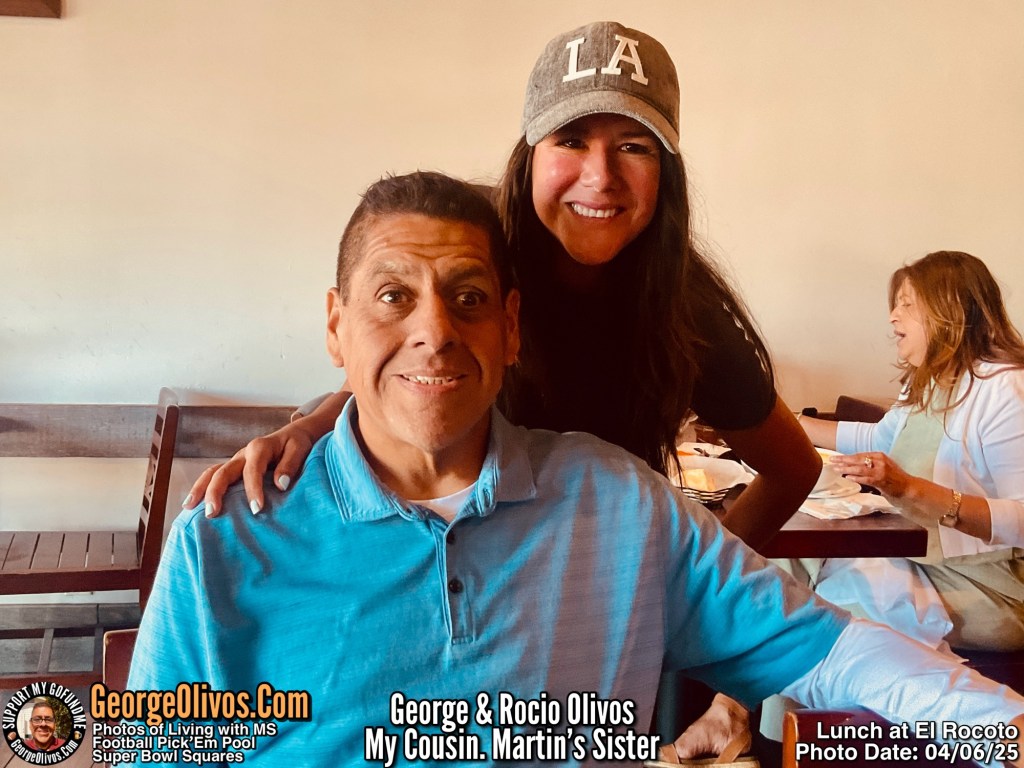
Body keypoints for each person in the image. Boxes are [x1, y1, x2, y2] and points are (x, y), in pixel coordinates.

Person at [131, 173, 1024, 767]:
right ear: (336, 326)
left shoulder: (619, 504)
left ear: (511, 327)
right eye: (393, 296)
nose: (434, 331)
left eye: (468, 298)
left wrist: (1002, 728)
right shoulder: (229, 538)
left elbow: (832, 653)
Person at [186, 23, 822, 757]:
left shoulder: (684, 308)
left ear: (668, 172)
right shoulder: (479, 244)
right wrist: (313, 422)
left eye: (635, 146)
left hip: (583, 611)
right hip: (441, 582)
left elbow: (793, 467)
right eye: (571, 140)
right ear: (530, 154)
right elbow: (398, 354)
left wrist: (686, 598)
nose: (601, 176)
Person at [800, 250, 1024, 651]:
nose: (892, 317)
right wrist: (790, 424)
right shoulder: (928, 380)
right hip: (923, 559)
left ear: (949, 310)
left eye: (906, 304)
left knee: (821, 606)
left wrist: (910, 489)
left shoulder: (1006, 389)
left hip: (993, 585)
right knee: (791, 569)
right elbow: (881, 439)